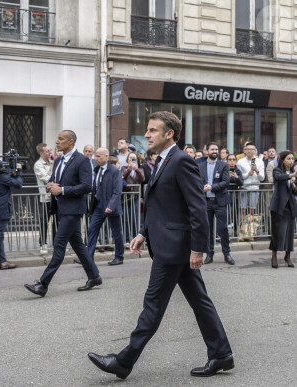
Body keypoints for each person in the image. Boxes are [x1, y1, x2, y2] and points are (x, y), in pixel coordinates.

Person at [88, 111, 233, 379]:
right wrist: (143, 233)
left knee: (152, 305)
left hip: (174, 248)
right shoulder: (163, 161)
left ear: (169, 134)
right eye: (147, 130)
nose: (146, 135)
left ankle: (124, 361)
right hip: (169, 242)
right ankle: (221, 354)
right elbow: (162, 206)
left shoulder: (181, 161)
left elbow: (197, 208)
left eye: (153, 130)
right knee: (200, 302)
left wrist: (198, 248)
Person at [24, 130, 102, 296]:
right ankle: (94, 276)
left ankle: (43, 284)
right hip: (61, 208)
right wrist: (51, 186)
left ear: (71, 141)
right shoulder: (58, 160)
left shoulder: (82, 160)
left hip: (73, 210)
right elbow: (54, 179)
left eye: (61, 139)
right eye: (57, 138)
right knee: (78, 246)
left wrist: (63, 190)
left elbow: (87, 186)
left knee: (59, 245)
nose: (57, 141)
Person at [86, 147, 124, 265]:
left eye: (99, 156)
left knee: (116, 232)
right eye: (95, 156)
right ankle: (88, 257)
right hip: (98, 205)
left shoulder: (114, 171)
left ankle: (119, 257)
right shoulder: (96, 169)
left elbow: (117, 191)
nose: (96, 158)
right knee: (92, 229)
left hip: (111, 206)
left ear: (106, 157)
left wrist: (111, 206)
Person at [199, 142, 234, 265]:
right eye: (212, 149)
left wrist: (211, 187)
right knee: (207, 229)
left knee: (222, 229)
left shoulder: (223, 165)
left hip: (220, 202)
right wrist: (201, 188)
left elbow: (225, 182)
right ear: (207, 151)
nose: (214, 151)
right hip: (206, 202)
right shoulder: (201, 166)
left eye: (216, 149)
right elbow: (197, 182)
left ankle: (227, 254)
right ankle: (209, 254)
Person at [269, 150, 297, 269]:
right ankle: (274, 255)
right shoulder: (277, 170)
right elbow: (278, 178)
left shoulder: (293, 173)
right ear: (283, 160)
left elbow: (295, 191)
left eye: (292, 159)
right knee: (277, 233)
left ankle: (288, 256)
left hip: (290, 206)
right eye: (289, 159)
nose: (291, 161)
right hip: (278, 206)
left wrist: (293, 185)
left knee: (290, 233)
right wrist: (290, 176)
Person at [236, 142, 264, 222]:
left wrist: (256, 171)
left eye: (251, 149)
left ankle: (250, 231)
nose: (249, 151)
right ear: (245, 151)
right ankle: (241, 231)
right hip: (244, 188)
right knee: (242, 210)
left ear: (255, 151)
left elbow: (262, 178)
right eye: (247, 149)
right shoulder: (240, 162)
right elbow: (239, 177)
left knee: (251, 211)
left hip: (254, 189)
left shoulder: (260, 162)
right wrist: (248, 174)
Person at [120, 151, 144, 243]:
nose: (131, 160)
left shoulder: (140, 169)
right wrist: (129, 169)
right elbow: (122, 177)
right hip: (126, 196)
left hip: (136, 196)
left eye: (133, 158)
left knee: (135, 219)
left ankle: (135, 238)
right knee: (126, 218)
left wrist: (136, 169)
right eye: (130, 158)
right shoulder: (124, 168)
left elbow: (142, 179)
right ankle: (126, 239)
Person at [34, 143, 53, 254]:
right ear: (41, 153)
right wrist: (57, 178)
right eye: (47, 151)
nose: (50, 152)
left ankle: (57, 243)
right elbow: (45, 178)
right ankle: (43, 244)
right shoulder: (38, 164)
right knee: (44, 221)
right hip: (46, 197)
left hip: (56, 196)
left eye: (50, 150)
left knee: (57, 221)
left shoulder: (52, 162)